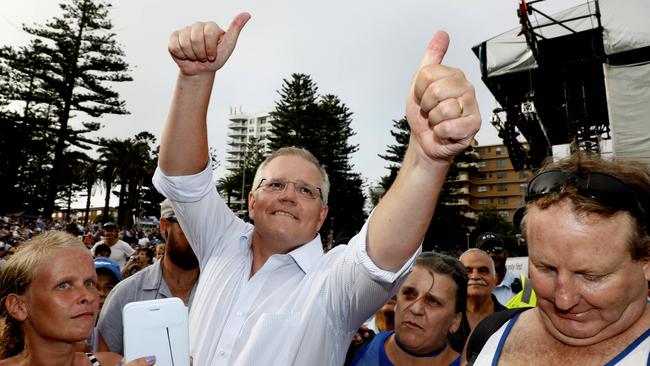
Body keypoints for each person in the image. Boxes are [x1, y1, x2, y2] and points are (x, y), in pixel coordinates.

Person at [153, 13, 480, 365]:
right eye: (275, 184)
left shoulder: (333, 284)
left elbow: (381, 255)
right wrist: (195, 76)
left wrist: (426, 157)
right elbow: (184, 180)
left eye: (307, 191)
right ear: (251, 201)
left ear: (322, 215)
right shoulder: (219, 242)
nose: (288, 195)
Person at [465, 153, 650, 365]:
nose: (564, 300)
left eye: (591, 276)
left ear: (646, 259)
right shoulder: (489, 334)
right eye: (546, 269)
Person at [0, 230, 155, 365]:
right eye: (63, 285)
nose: (89, 296)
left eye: (89, 283)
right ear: (18, 306)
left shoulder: (113, 363)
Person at [97, 199, 200, 355]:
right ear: (165, 227)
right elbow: (101, 357)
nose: (199, 235)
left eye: (207, 226)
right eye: (189, 225)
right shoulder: (126, 294)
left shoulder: (224, 294)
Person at [348, 252, 467, 365]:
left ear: (455, 321)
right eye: (409, 294)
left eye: (433, 302)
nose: (416, 309)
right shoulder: (350, 351)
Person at [448, 249, 506, 353]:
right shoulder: (443, 318)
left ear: (495, 279)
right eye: (467, 271)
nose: (475, 276)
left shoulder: (511, 321)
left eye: (483, 270)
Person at [475, 232, 535, 308]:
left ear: (506, 254)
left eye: (497, 249)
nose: (492, 254)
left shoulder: (527, 286)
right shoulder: (470, 288)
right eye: (485, 251)